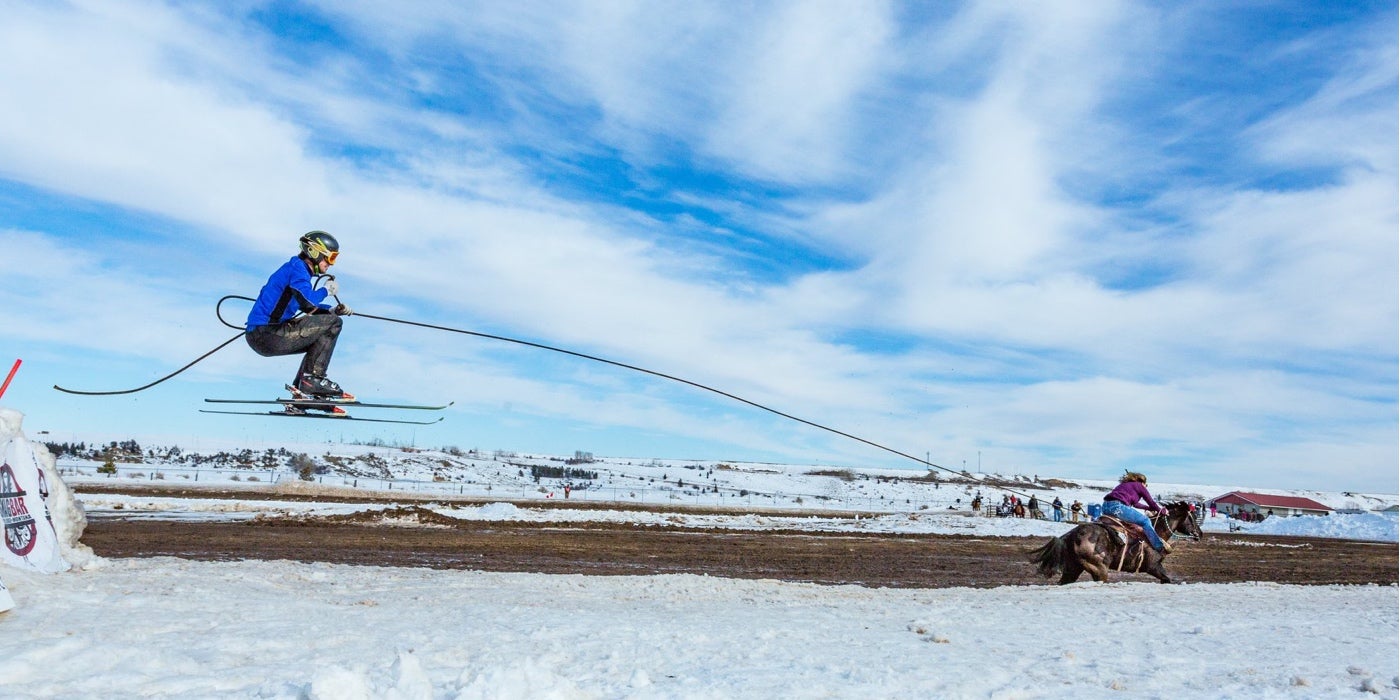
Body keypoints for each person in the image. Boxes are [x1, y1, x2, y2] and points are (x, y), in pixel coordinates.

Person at [245, 231, 355, 404]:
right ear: (315, 252)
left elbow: (307, 307)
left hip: (262, 334)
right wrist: (326, 290)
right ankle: (312, 381)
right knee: (334, 324)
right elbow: (307, 301)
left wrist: (333, 309)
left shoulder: (296, 270)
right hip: (267, 333)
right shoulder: (298, 269)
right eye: (330, 258)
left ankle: (302, 393)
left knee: (325, 328)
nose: (331, 264)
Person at [1101, 471, 1171, 553]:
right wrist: (1161, 510)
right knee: (1145, 521)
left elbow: (1136, 504)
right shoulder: (1139, 485)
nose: (1146, 487)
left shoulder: (1125, 486)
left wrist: (1148, 508)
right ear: (1143, 482)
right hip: (1117, 507)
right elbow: (1151, 501)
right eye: (1146, 485)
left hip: (1105, 507)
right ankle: (1159, 547)